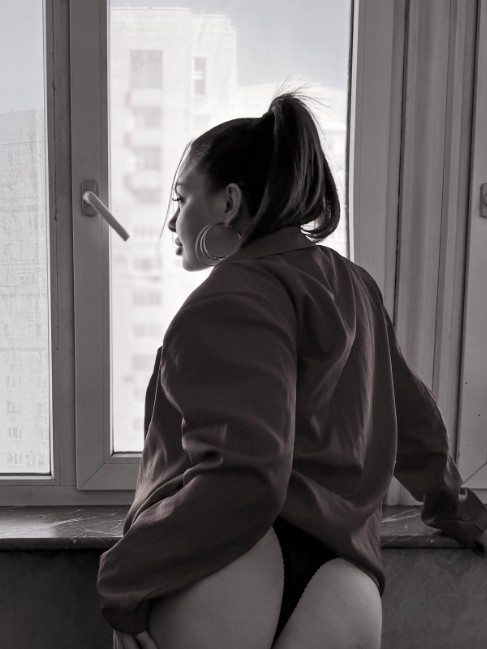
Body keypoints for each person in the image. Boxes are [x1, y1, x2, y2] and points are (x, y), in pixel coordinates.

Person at [97, 91, 487, 649]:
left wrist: (123, 578)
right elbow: (415, 425)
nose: (173, 221)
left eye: (181, 198)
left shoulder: (228, 297)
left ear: (229, 202)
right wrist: (460, 511)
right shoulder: (354, 285)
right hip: (346, 585)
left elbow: (248, 473)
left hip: (230, 569)